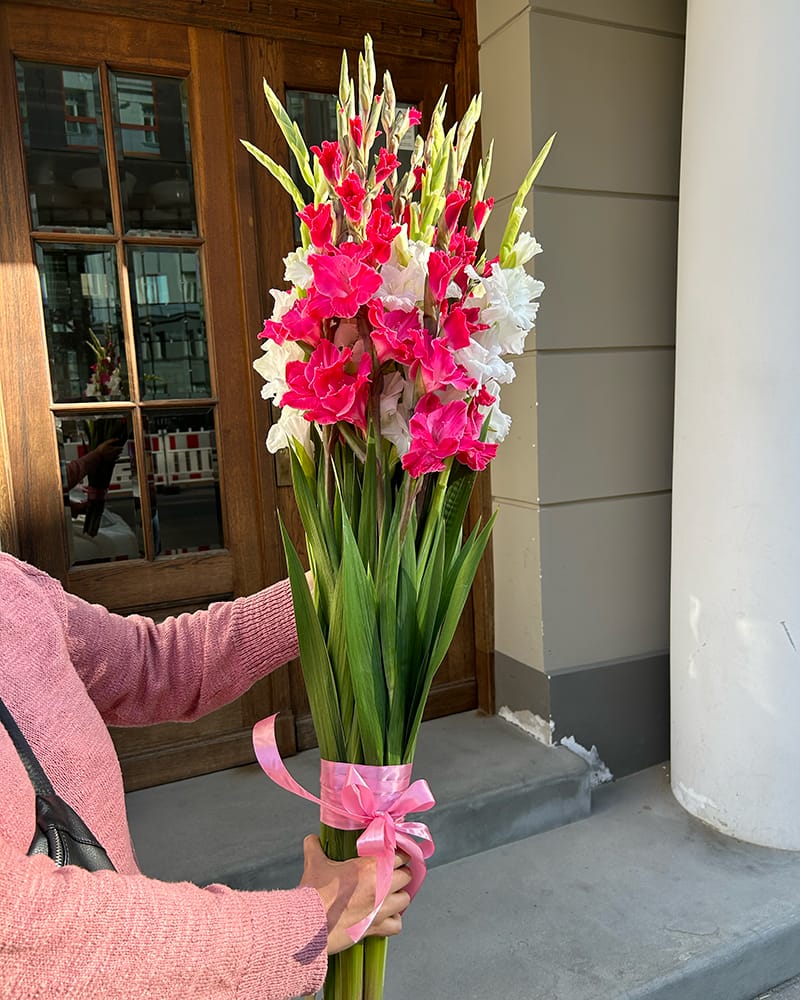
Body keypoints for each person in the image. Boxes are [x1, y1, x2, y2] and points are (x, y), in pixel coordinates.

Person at [0, 552, 411, 999]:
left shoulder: (10, 583)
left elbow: (149, 663)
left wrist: (326, 589)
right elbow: (23, 934)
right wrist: (306, 921)